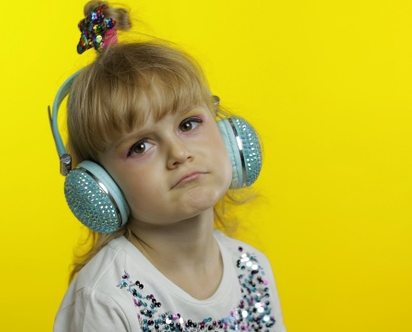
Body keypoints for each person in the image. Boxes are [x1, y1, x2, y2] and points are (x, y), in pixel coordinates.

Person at [49, 1, 286, 331]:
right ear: (101, 187)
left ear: (227, 135)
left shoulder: (252, 269)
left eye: (188, 124)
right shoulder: (105, 297)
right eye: (140, 146)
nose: (179, 153)